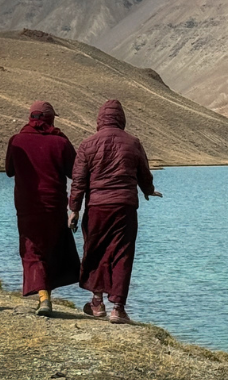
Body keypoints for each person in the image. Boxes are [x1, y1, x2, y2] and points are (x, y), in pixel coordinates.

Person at [70, 100, 161, 324]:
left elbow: (79, 181)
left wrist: (74, 209)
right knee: (122, 254)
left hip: (97, 208)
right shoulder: (133, 143)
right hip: (125, 207)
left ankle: (97, 303)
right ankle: (118, 309)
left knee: (95, 251)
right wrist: (147, 190)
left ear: (100, 119)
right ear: (121, 119)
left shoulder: (87, 144)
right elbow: (144, 172)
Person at [5, 101, 81, 316]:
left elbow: (9, 171)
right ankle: (46, 297)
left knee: (32, 249)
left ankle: (43, 297)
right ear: (50, 119)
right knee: (53, 248)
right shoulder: (60, 142)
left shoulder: (17, 140)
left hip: (27, 205)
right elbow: (74, 173)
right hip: (54, 205)